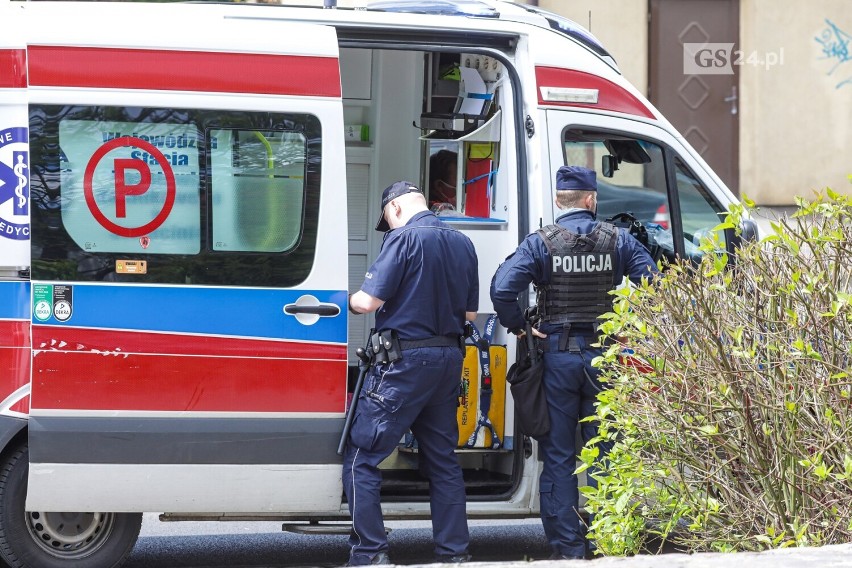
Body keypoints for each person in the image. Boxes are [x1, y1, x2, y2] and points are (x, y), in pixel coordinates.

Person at [489, 165, 658, 560]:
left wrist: (520, 328)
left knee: (560, 458)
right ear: (591, 199)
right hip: (605, 358)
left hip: (557, 359)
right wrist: (630, 325)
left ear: (559, 201)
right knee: (604, 455)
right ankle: (610, 545)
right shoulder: (619, 239)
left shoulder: (540, 243)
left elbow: (502, 289)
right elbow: (655, 285)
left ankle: (569, 551)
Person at [345, 180, 479, 566]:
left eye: (387, 218)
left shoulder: (402, 239)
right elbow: (469, 315)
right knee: (442, 459)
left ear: (397, 209)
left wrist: (344, 301)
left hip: (404, 363)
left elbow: (369, 301)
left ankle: (370, 553)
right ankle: (454, 554)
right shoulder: (462, 244)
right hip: (449, 359)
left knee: (363, 455)